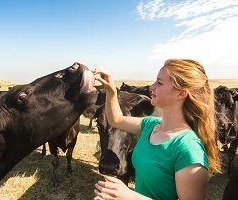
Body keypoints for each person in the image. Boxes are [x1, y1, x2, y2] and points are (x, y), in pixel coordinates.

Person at [93, 59, 221, 200]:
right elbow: (115, 120)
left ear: (181, 94)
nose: (151, 87)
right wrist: (111, 89)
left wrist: (130, 197)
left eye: (159, 83)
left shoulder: (188, 149)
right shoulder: (151, 125)